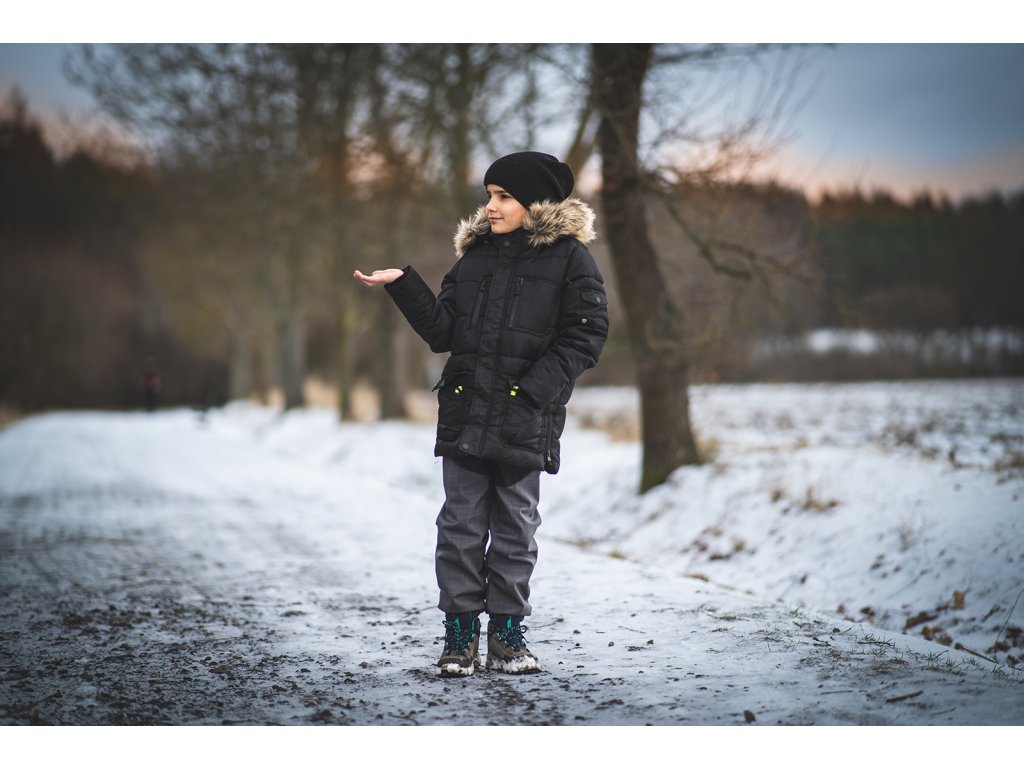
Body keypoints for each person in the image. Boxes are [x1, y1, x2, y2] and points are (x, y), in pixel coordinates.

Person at [354, 151, 608, 676]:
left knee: (515, 528)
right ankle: (460, 634)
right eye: (489, 195)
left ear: (535, 203)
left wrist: (532, 392)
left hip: (525, 419)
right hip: (466, 412)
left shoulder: (571, 260)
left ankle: (508, 636)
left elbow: (586, 335)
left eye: (503, 197)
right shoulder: (474, 258)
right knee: (460, 526)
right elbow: (443, 332)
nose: (490, 206)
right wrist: (404, 284)